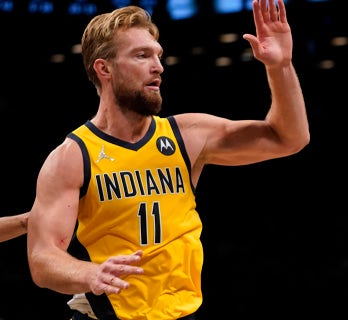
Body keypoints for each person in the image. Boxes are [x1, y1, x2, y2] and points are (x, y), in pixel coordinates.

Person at [26, 0, 309, 318]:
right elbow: (42, 257)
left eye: (157, 55)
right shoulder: (73, 156)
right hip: (106, 311)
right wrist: (88, 274)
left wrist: (280, 67)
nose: (158, 66)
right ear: (104, 69)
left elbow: (289, 138)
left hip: (180, 310)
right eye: (142, 55)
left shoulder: (186, 135)